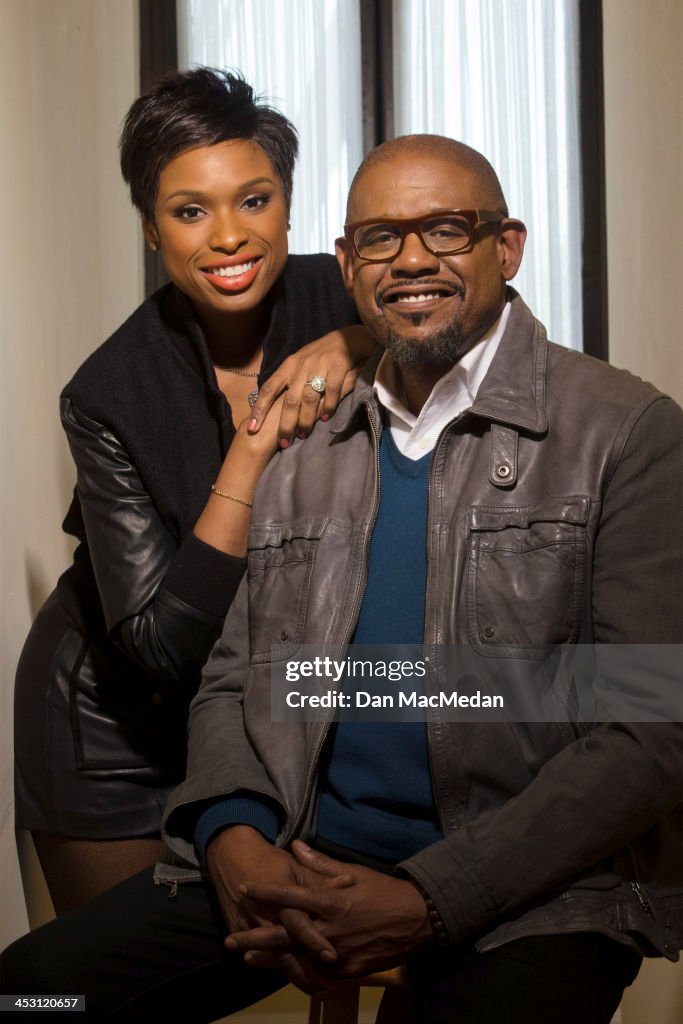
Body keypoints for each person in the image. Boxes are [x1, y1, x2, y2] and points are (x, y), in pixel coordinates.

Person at [2, 134, 681, 1023]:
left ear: (505, 247)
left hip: (533, 895)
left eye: (444, 229)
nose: (410, 260)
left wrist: (429, 899)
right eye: (378, 239)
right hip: (294, 850)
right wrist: (233, 840)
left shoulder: (625, 431)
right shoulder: (306, 434)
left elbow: (649, 728)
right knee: (31, 998)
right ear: (346, 265)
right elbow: (239, 676)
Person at [12, 66, 371, 916]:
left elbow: (488, 317)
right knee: (88, 990)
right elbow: (160, 642)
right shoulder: (107, 393)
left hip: (260, 705)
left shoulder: (346, 294)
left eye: (253, 201)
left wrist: (361, 341)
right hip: (113, 728)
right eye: (189, 210)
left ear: (287, 202)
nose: (228, 238)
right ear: (150, 228)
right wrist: (248, 454)